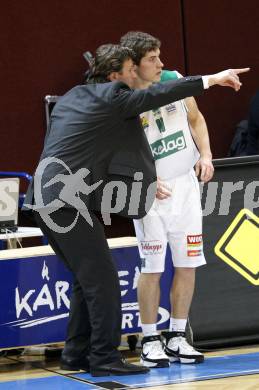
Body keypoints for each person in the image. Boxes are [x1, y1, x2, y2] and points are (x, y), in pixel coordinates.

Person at [24, 42, 248, 376]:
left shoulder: (73, 96)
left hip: (46, 198)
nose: (135, 76)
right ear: (114, 75)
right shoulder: (115, 97)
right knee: (103, 282)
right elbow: (157, 96)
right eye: (130, 70)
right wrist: (213, 79)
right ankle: (104, 358)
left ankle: (76, 355)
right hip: (65, 202)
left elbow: (92, 149)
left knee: (87, 282)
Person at [120, 31, 248, 368]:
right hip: (151, 192)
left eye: (160, 56)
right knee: (152, 267)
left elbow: (195, 119)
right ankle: (150, 339)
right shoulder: (123, 97)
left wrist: (205, 154)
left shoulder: (174, 80)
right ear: (134, 64)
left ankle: (177, 337)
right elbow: (118, 152)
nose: (161, 63)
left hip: (186, 186)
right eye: (152, 59)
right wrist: (147, 177)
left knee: (188, 263)